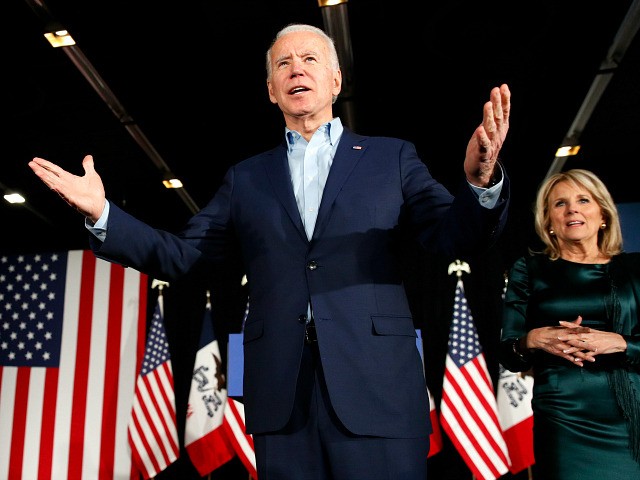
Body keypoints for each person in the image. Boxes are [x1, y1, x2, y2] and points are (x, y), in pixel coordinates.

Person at [30, 23, 511, 480]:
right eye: (283, 63)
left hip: (377, 387)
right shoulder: (247, 178)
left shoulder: (392, 157)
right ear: (270, 89)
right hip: (283, 398)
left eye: (309, 59)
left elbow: (454, 236)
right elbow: (183, 257)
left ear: (335, 79)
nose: (296, 69)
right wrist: (103, 214)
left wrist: (480, 183)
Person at [499, 168, 640, 479]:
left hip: (631, 417)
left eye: (583, 200)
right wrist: (533, 339)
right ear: (548, 221)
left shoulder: (635, 269)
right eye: (559, 203)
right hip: (564, 417)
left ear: (603, 213)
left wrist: (619, 342)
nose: (572, 208)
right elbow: (508, 352)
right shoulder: (528, 270)